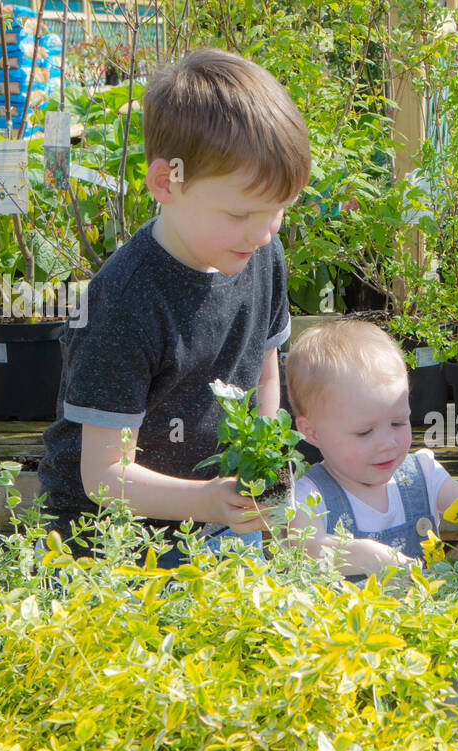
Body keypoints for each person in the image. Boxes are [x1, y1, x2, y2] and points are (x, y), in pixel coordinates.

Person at [37, 48, 310, 566]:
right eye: (240, 212)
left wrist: (265, 462)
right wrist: (208, 501)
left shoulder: (261, 252)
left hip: (216, 520)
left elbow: (266, 369)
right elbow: (103, 476)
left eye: (278, 209)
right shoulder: (120, 302)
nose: (263, 230)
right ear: (167, 183)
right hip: (111, 543)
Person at [284, 320, 458, 577]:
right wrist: (368, 555)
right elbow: (306, 549)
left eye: (398, 422)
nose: (388, 443)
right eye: (365, 432)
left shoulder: (423, 474)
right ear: (312, 431)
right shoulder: (309, 496)